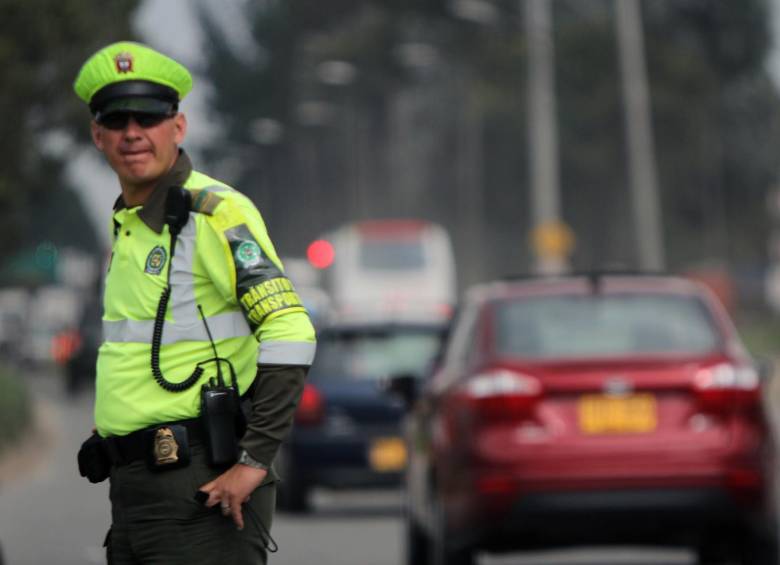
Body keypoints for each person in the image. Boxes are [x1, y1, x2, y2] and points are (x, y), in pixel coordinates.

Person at [73, 41, 316, 564]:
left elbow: (291, 331)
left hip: (202, 491)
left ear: (177, 127)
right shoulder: (129, 226)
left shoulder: (215, 214)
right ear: (98, 136)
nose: (133, 132)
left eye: (150, 117)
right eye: (117, 120)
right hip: (134, 492)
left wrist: (253, 463)